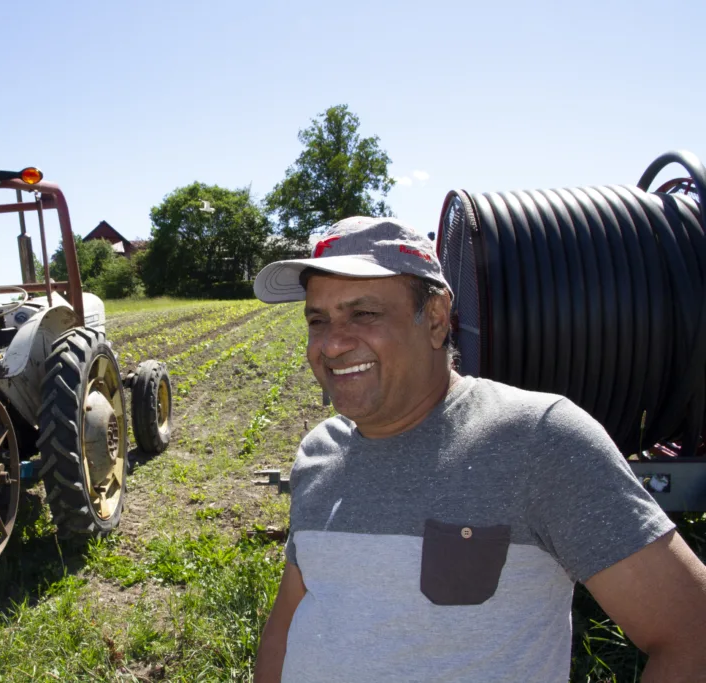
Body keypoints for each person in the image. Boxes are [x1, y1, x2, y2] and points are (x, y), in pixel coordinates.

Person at [251, 216, 706, 682]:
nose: (331, 344)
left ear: (435, 318)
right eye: (317, 319)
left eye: (363, 314)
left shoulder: (538, 440)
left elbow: (693, 634)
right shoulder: (318, 452)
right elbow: (288, 621)